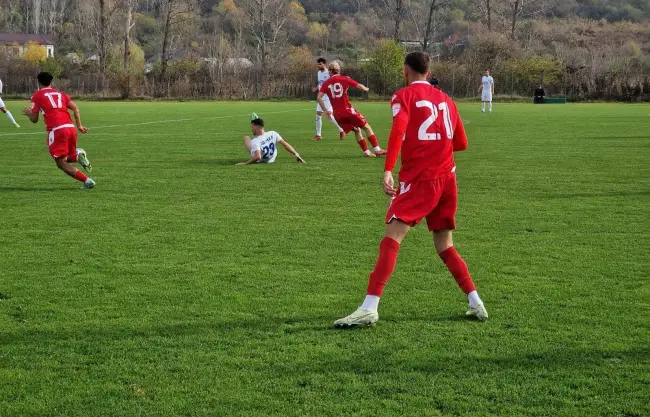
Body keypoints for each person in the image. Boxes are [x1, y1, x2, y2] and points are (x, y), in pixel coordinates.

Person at [334, 52, 488, 328]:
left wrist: (388, 169)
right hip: (448, 179)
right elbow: (461, 143)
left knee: (393, 235)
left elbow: (399, 129)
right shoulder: (447, 101)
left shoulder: (403, 96)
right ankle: (476, 302)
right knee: (445, 244)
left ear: (406, 71)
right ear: (429, 73)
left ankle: (370, 307)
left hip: (421, 179)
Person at [22, 72, 95, 189]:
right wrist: (80, 126)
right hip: (71, 128)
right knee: (66, 158)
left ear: (39, 82)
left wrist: (29, 114)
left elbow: (34, 120)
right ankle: (78, 156)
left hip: (57, 130)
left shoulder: (37, 95)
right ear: (51, 82)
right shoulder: (60, 93)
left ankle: (87, 181)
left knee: (61, 163)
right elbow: (75, 108)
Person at [317, 62, 387, 158]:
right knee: (366, 127)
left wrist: (325, 110)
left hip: (337, 115)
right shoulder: (345, 79)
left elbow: (319, 97)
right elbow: (360, 87)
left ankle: (366, 152)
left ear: (330, 71)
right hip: (348, 111)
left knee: (357, 130)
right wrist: (367, 89)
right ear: (339, 70)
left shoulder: (326, 83)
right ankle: (377, 150)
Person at [237, 117, 305, 166]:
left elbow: (258, 157)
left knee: (246, 138)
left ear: (257, 126)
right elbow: (285, 145)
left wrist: (245, 163)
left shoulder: (255, 141)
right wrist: (297, 155)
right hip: (271, 159)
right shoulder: (273, 133)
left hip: (261, 159)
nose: (252, 129)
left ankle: (253, 150)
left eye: (252, 127)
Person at [313, 58, 344, 141]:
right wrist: (316, 87)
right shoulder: (319, 73)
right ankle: (318, 135)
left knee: (329, 115)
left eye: (320, 64)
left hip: (328, 97)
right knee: (318, 115)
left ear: (325, 64)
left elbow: (334, 82)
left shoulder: (329, 72)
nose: (318, 65)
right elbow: (320, 82)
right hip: (321, 97)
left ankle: (341, 130)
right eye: (318, 64)